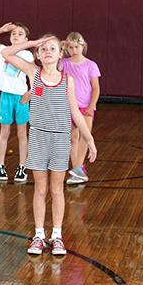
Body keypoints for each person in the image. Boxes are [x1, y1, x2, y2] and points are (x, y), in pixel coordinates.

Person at [2, 35, 97, 256]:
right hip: (38, 138)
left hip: (60, 139)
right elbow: (6, 53)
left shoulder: (67, 80)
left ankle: (56, 235)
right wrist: (31, 43)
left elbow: (75, 112)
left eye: (52, 48)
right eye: (43, 49)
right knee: (40, 188)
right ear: (38, 53)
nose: (47, 51)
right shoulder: (34, 73)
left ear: (60, 53)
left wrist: (90, 140)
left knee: (56, 189)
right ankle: (38, 235)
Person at [0, 22, 33, 182]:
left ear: (26, 39)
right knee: (4, 132)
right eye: (13, 33)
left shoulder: (27, 55)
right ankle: (1, 165)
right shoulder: (3, 50)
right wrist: (1, 29)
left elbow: (33, 75)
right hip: (6, 96)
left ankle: (22, 166)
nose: (16, 36)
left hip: (21, 97)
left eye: (20, 34)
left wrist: (30, 92)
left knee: (22, 133)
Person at [59, 32, 101, 184]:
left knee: (85, 135)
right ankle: (76, 168)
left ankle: (78, 168)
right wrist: (61, 48)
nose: (74, 50)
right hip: (68, 106)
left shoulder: (91, 65)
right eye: (70, 47)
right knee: (73, 137)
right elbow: (53, 68)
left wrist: (91, 106)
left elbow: (96, 88)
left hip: (85, 107)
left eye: (77, 46)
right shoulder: (64, 63)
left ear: (83, 46)